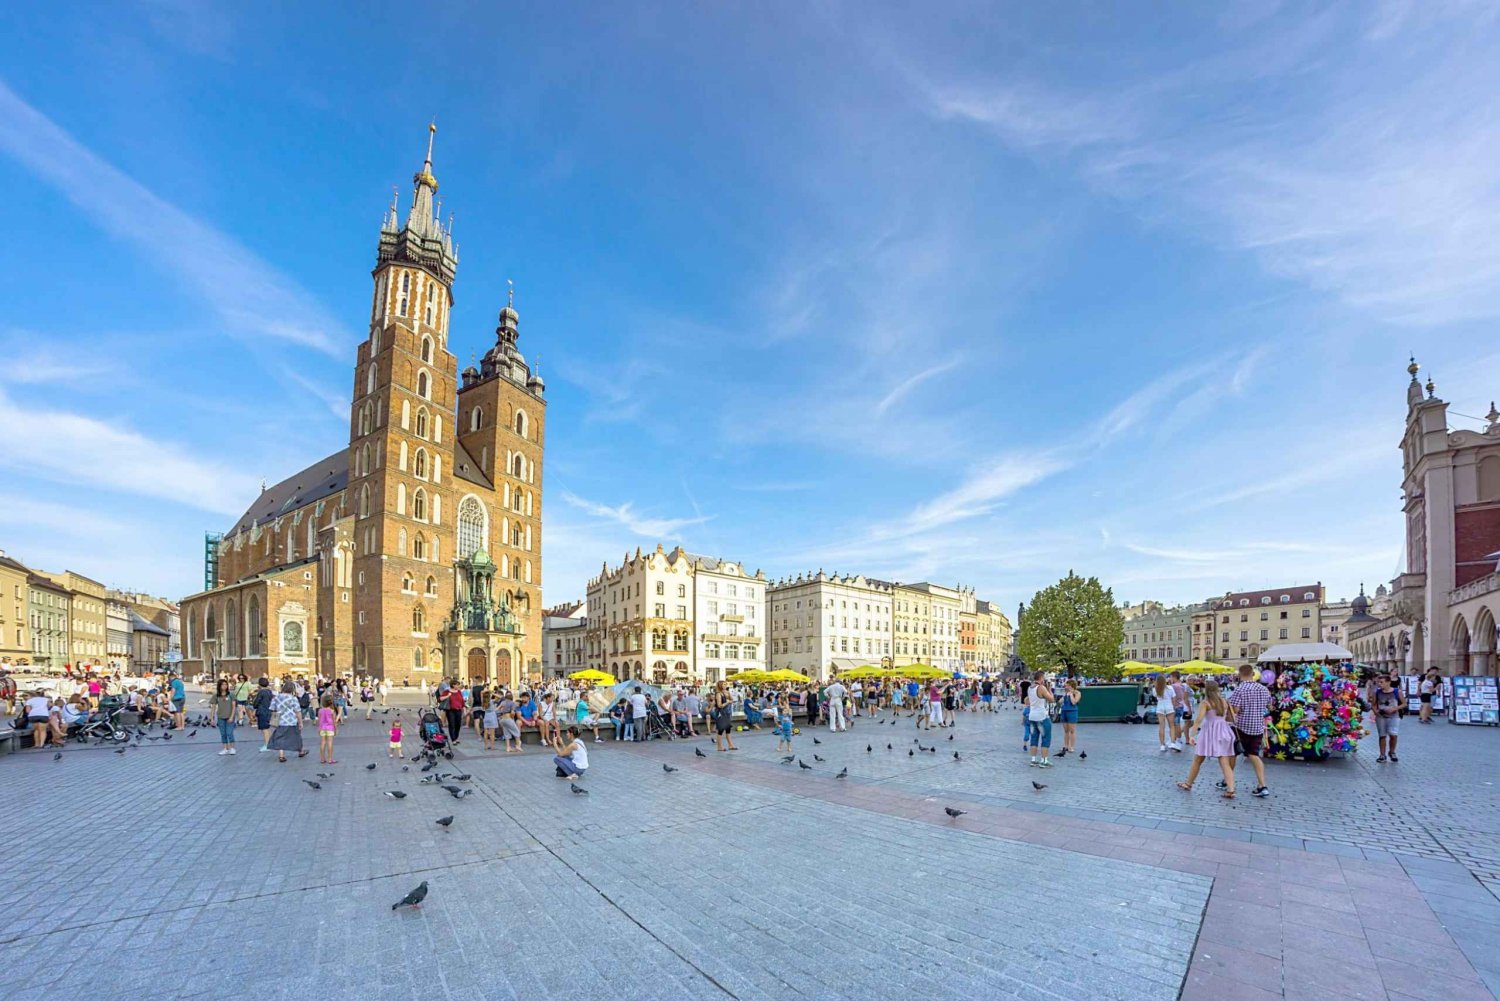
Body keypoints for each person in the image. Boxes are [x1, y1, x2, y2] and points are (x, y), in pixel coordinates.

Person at [1176, 681, 1238, 798]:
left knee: (1198, 759)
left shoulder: (1206, 703)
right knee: (1225, 763)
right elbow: (1233, 717)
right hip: (1224, 732)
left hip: (1209, 733)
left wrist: (1192, 735)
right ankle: (1231, 789)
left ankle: (1188, 783)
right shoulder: (1224, 702)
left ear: (1206, 690)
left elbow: (1199, 720)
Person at [1224, 664, 1272, 798]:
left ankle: (1228, 781)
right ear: (1252, 674)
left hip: (1241, 727)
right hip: (1257, 726)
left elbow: (1236, 710)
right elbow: (1270, 706)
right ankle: (1262, 785)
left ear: (1240, 674)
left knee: (1232, 753)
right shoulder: (1263, 689)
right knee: (1254, 755)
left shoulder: (1240, 689)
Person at [267, 680, 306, 763]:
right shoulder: (293, 698)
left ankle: (281, 755)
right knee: (296, 736)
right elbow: (298, 711)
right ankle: (301, 751)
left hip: (281, 721)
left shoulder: (276, 697)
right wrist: (300, 722)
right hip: (292, 720)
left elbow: (272, 708)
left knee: (280, 737)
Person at [1372, 674, 1402, 763]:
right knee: (1382, 735)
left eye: (1382, 682)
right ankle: (1382, 755)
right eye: (1378, 682)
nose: (1379, 684)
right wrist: (1375, 712)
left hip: (1394, 716)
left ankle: (1392, 752)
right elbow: (1373, 704)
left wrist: (1395, 708)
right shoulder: (1377, 692)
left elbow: (1404, 704)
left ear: (1389, 682)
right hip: (1381, 716)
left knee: (1393, 735)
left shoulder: (1397, 691)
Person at [1026, 672, 1053, 768]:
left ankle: (1033, 760)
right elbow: (1051, 699)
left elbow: (1029, 700)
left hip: (1032, 716)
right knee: (1046, 738)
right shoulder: (1041, 688)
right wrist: (1049, 689)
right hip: (1042, 716)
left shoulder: (1030, 688)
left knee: (1034, 738)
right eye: (1044, 678)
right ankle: (1044, 760)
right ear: (1041, 678)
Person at [211, 678, 236, 755]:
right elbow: (213, 707)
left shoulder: (231, 694)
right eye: (223, 684)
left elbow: (234, 706)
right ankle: (225, 748)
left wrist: (232, 716)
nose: (224, 686)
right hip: (221, 716)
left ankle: (232, 748)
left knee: (229, 732)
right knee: (223, 733)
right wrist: (212, 718)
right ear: (219, 686)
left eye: (226, 684)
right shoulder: (216, 696)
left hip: (229, 716)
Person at [710, 680, 737, 751]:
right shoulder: (718, 694)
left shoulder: (727, 692)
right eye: (723, 684)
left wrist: (729, 700)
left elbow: (732, 700)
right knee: (721, 730)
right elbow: (719, 705)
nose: (725, 685)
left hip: (727, 713)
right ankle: (719, 747)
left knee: (728, 729)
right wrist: (727, 702)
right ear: (720, 686)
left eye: (726, 684)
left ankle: (730, 745)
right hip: (721, 713)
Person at [1056, 679, 1080, 757]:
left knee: (1072, 730)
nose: (1065, 686)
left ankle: (1071, 746)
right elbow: (1060, 702)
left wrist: (1070, 695)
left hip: (1072, 711)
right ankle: (1065, 746)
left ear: (1071, 685)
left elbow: (1074, 702)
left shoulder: (1077, 693)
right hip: (1064, 711)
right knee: (1066, 730)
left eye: (1066, 685)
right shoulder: (1066, 693)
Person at [1152, 676, 1175, 752]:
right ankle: (1172, 742)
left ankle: (1162, 745)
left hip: (1160, 706)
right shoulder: (1170, 688)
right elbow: (1173, 699)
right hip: (1169, 705)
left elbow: (1155, 696)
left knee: (1161, 727)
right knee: (1171, 726)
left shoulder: (1155, 689)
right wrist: (1173, 707)